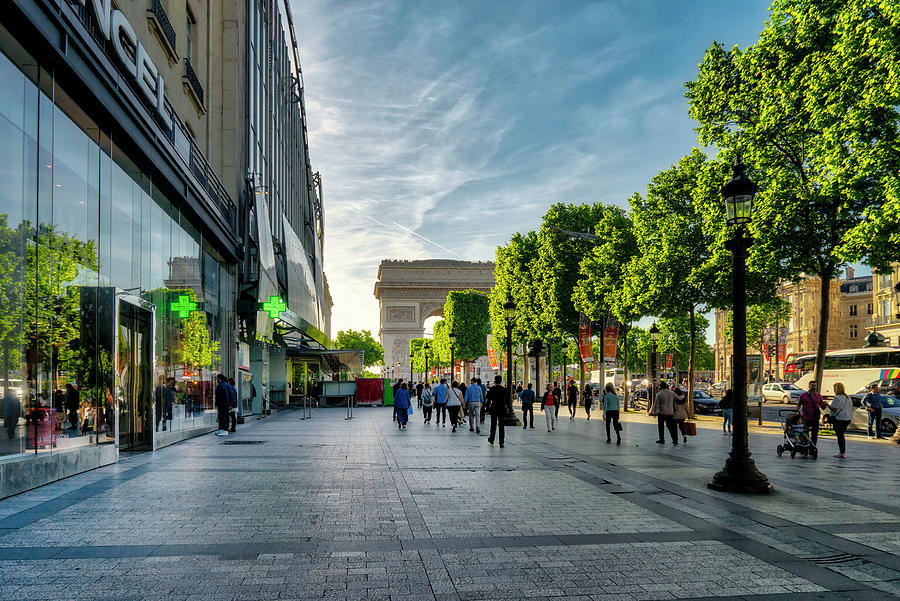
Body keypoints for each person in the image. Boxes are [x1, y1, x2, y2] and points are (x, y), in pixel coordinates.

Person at [649, 381, 681, 445]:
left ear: (660, 387)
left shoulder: (659, 394)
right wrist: (683, 396)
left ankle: (662, 439)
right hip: (670, 412)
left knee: (661, 427)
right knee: (671, 427)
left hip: (662, 412)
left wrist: (655, 412)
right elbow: (678, 398)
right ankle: (674, 440)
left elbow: (656, 404)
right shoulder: (672, 393)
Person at [828, 382, 853, 458]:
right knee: (841, 434)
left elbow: (835, 409)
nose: (834, 390)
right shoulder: (848, 398)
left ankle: (842, 452)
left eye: (834, 389)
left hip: (839, 419)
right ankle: (842, 451)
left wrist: (826, 404)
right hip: (847, 419)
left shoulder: (837, 398)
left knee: (840, 436)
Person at [485, 375, 508, 447]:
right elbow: (507, 400)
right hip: (501, 408)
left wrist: (487, 409)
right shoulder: (504, 390)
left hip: (494, 408)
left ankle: (492, 439)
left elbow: (488, 400)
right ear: (501, 381)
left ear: (495, 380)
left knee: (493, 425)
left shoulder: (491, 389)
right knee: (501, 425)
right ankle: (501, 442)